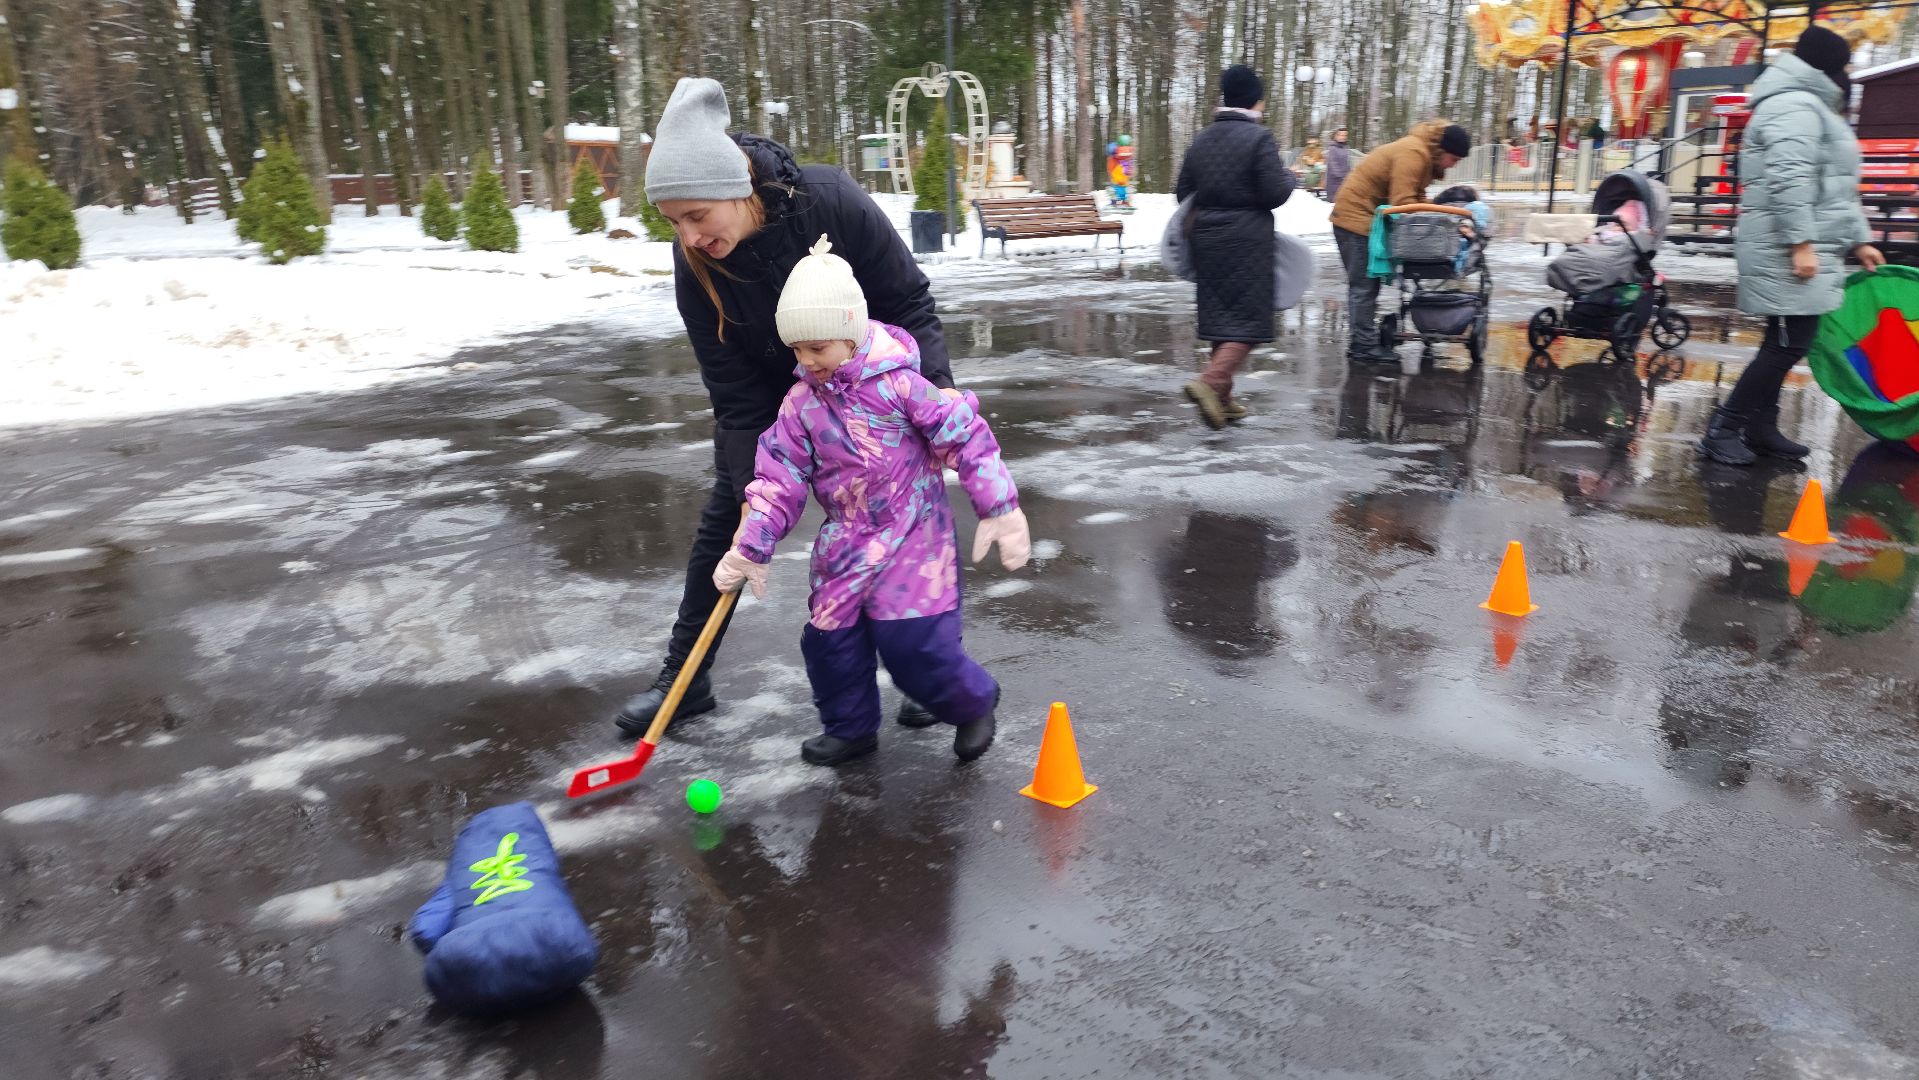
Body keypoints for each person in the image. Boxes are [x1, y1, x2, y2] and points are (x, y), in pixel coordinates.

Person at [613, 77, 961, 736]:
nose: (687, 237)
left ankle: (931, 673)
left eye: (697, 216)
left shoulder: (829, 201)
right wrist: (751, 482)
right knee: (728, 521)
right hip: (780, 394)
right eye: (672, 221)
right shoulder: (698, 265)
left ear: (733, 191)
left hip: (869, 381)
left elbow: (908, 300)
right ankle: (683, 679)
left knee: (900, 528)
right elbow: (733, 390)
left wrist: (929, 393)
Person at [713, 235, 1030, 765]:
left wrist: (999, 506)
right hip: (846, 542)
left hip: (916, 538)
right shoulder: (800, 405)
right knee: (829, 641)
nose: (807, 361)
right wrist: (751, 545)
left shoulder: (902, 387)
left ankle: (973, 703)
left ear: (851, 332)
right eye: (797, 349)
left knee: (914, 646)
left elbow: (966, 437)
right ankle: (851, 728)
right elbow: (779, 478)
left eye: (818, 347)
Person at [1698, 25, 1886, 465]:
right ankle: (1723, 428)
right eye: (1844, 65)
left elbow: (1834, 187)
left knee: (1783, 342)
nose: (1849, 74)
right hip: (1789, 248)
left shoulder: (1809, 106)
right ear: (1825, 65)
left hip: (1805, 244)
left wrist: (1859, 241)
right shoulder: (1794, 108)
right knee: (1786, 344)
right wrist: (1800, 242)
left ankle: (1760, 428)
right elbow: (1789, 178)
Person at [1175, 64, 1297, 429]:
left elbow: (1183, 192)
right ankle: (1209, 382)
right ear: (1256, 100)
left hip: (1207, 236)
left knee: (1222, 317)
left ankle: (1224, 400)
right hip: (1246, 237)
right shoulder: (1259, 139)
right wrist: (1290, 177)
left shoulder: (1202, 138)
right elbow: (1274, 192)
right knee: (1250, 320)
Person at [1330, 119, 1471, 362]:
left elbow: (1417, 197)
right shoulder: (1413, 153)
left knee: (1366, 284)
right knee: (1364, 285)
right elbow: (1403, 203)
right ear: (1442, 150)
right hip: (1355, 219)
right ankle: (1362, 347)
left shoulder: (1423, 155)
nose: (1452, 165)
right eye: (1453, 160)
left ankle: (1364, 339)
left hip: (1364, 218)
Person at [1432, 184, 1492, 273]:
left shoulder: (1434, 210)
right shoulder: (1477, 210)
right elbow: (1486, 233)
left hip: (1433, 253)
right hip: (1464, 255)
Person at [1324, 128, 1354, 202]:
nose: (1343, 137)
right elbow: (1332, 164)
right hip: (1335, 181)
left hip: (1345, 180)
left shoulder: (1346, 148)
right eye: (1340, 135)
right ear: (1335, 136)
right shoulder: (1332, 148)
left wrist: (1350, 174)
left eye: (1344, 135)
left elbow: (1348, 163)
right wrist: (1341, 176)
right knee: (1334, 201)